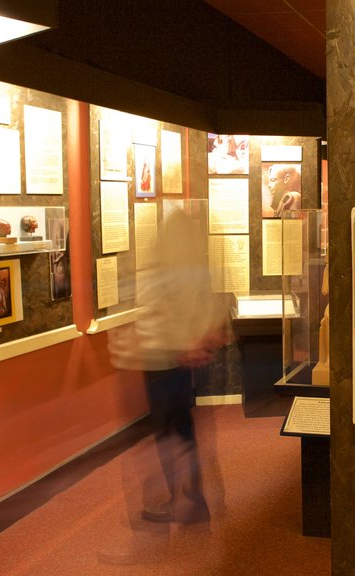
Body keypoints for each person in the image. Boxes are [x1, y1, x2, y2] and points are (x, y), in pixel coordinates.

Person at [101, 209, 228, 565]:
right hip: (176, 362)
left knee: (166, 437)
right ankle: (191, 504)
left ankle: (171, 507)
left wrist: (173, 342)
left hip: (162, 362)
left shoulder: (168, 268)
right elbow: (201, 307)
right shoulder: (192, 266)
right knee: (181, 433)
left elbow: (163, 313)